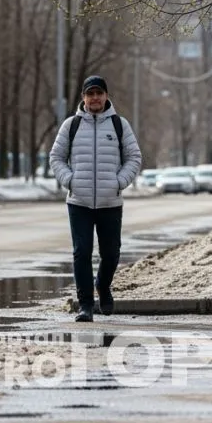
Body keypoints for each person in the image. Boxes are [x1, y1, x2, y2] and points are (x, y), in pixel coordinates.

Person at [49, 75, 143, 322]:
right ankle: (86, 305)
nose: (95, 98)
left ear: (106, 96)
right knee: (82, 252)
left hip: (110, 202)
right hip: (78, 202)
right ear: (83, 97)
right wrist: (70, 180)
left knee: (111, 253)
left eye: (99, 93)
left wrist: (119, 182)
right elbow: (56, 157)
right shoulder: (71, 125)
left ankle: (102, 285)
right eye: (90, 94)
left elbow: (134, 157)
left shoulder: (119, 124)